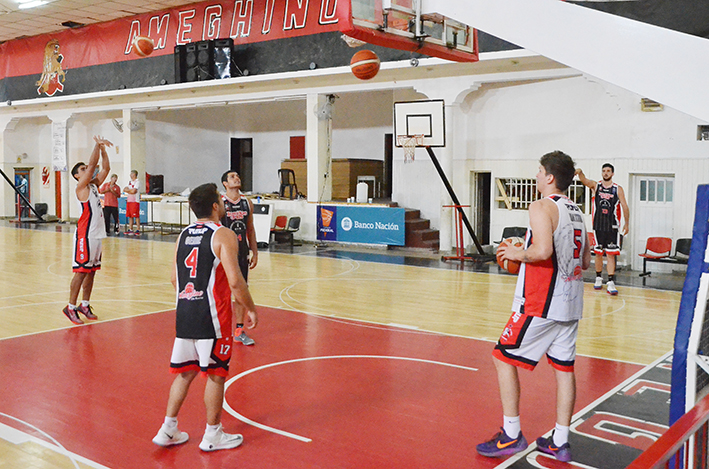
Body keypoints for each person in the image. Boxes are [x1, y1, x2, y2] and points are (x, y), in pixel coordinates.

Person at [477, 151, 591, 463]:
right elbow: (586, 261)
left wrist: (516, 253)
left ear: (550, 177)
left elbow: (541, 251)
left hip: (541, 300)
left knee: (502, 357)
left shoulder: (541, 206)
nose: (537, 176)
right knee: (564, 369)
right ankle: (560, 441)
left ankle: (511, 434)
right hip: (571, 302)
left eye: (539, 171)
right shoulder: (577, 211)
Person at [152, 183, 259, 452]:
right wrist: (252, 308)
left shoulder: (183, 234)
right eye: (220, 200)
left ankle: (168, 428)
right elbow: (235, 282)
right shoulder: (223, 235)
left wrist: (190, 299)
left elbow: (173, 279)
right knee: (216, 374)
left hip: (184, 311)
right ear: (215, 206)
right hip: (213, 315)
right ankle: (213, 435)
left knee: (185, 372)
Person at [63, 136, 113, 325]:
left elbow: (105, 168)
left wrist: (104, 151)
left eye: (85, 168)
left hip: (97, 234)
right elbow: (93, 166)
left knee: (91, 271)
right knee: (81, 271)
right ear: (77, 175)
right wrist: (96, 146)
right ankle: (70, 307)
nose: (87, 170)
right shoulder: (80, 187)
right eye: (82, 170)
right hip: (85, 234)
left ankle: (85, 304)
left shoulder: (93, 185)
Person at [575, 163, 629, 296]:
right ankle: (598, 278)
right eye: (604, 171)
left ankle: (610, 281)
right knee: (598, 253)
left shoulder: (618, 189)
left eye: (608, 171)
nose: (606, 173)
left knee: (610, 254)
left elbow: (625, 207)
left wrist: (627, 223)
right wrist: (580, 172)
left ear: (612, 173)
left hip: (612, 226)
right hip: (598, 225)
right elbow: (584, 181)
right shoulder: (596, 186)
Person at [220, 170, 258, 346]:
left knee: (241, 290)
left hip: (242, 252)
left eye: (238, 175)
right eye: (232, 177)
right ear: (225, 184)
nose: (237, 178)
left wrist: (255, 252)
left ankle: (239, 330)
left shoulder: (246, 203)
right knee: (221, 291)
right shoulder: (220, 203)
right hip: (224, 253)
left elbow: (250, 229)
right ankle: (219, 327)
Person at [124, 169, 141, 235]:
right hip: (129, 200)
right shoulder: (130, 182)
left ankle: (138, 229)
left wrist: (129, 191)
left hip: (135, 201)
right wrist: (130, 191)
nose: (130, 175)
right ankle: (130, 229)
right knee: (130, 215)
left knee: (136, 215)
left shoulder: (137, 182)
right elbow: (125, 189)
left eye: (131, 174)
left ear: (134, 174)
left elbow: (134, 191)